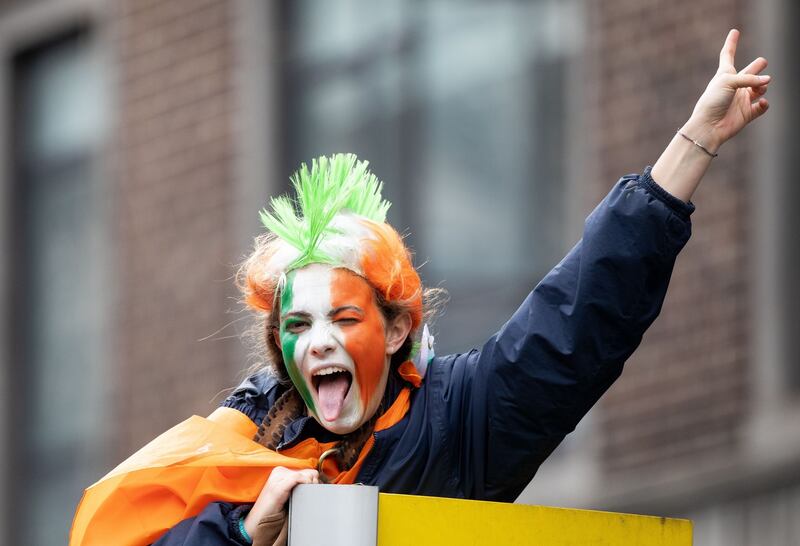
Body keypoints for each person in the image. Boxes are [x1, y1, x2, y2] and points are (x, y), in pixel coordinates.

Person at [69, 29, 770, 546]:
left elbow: (573, 326)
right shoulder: (243, 444)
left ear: (396, 326)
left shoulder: (458, 422)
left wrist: (693, 145)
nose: (316, 343)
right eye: (297, 326)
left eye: (341, 318)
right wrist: (248, 534)